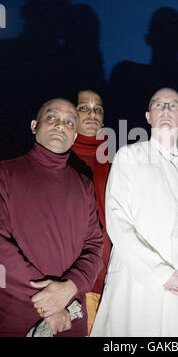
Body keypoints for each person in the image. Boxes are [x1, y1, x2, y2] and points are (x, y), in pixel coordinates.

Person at [90, 87, 178, 337]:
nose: (166, 110)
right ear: (148, 116)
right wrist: (160, 273)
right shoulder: (128, 156)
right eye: (158, 104)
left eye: (174, 105)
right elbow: (118, 221)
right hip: (139, 281)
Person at [0, 98, 103, 337]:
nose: (60, 125)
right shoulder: (5, 173)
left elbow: (94, 245)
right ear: (34, 125)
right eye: (52, 118)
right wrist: (49, 301)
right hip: (17, 316)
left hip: (71, 316)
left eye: (69, 122)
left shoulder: (84, 184)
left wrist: (71, 287)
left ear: (75, 136)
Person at [70, 88, 111, 335]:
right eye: (84, 107)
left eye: (98, 109)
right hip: (67, 278)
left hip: (109, 276)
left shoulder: (118, 159)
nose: (92, 113)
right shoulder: (54, 155)